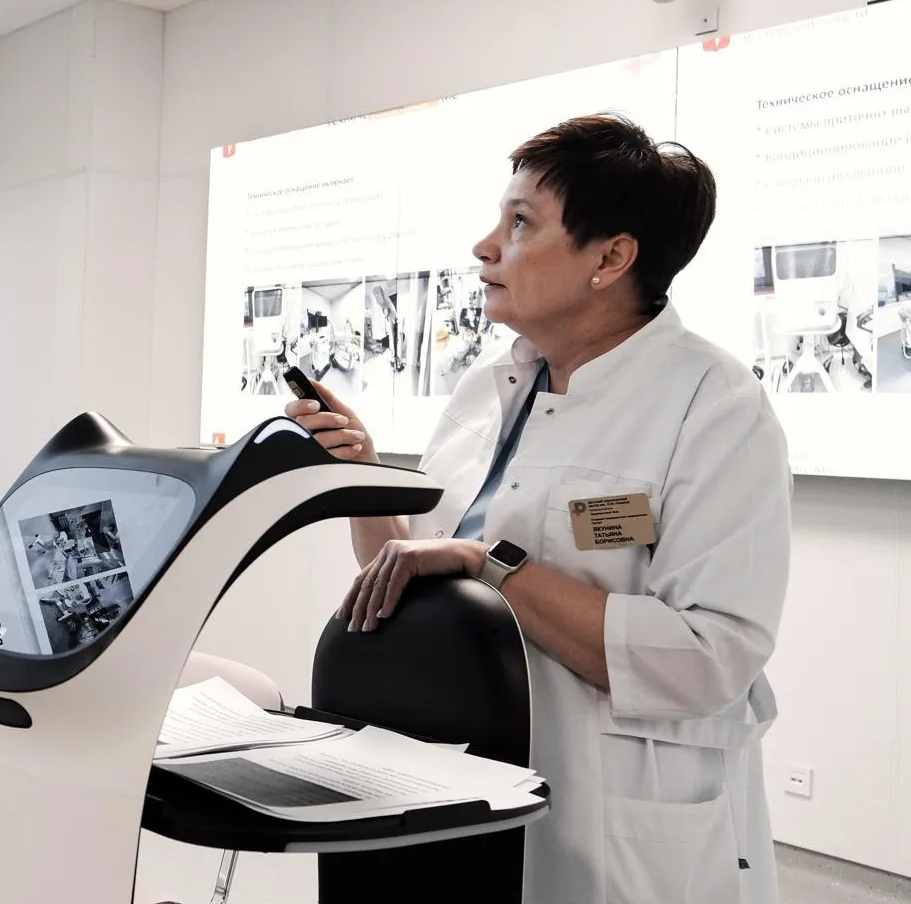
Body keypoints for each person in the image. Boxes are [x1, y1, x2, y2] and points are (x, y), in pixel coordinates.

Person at [290, 114, 790, 904]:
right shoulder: (486, 387)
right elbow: (411, 579)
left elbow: (711, 657)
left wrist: (492, 567)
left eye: (520, 223)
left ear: (611, 258)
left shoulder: (715, 407)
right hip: (455, 778)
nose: (485, 246)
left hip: (609, 817)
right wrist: (364, 478)